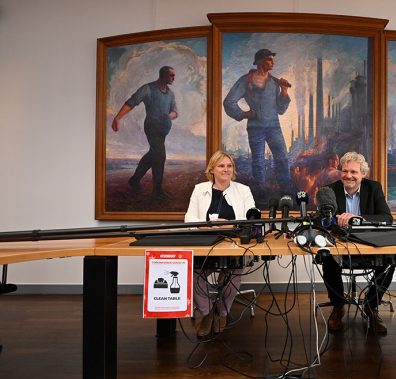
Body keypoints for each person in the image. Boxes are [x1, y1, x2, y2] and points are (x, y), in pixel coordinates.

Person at [320, 152, 396, 335]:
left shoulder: (374, 188)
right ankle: (338, 306)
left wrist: (358, 219)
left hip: (369, 245)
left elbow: (387, 218)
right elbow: (320, 220)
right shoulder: (330, 190)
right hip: (340, 247)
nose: (348, 176)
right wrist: (331, 220)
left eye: (354, 172)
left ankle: (371, 306)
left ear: (363, 174)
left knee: (391, 259)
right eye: (345, 171)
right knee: (327, 257)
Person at [184, 150, 256, 337]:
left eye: (229, 166)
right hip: (205, 243)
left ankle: (222, 312)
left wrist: (231, 224)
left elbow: (251, 218)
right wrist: (206, 226)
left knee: (234, 273)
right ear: (212, 169)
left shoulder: (243, 190)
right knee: (194, 273)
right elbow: (189, 218)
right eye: (221, 166)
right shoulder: (200, 189)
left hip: (234, 245)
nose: (226, 169)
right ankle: (207, 313)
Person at [223, 48, 292, 198]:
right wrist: (243, 114)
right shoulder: (245, 81)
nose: (273, 62)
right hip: (255, 128)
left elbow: (280, 109)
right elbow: (229, 102)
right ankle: (260, 194)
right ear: (260, 62)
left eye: (273, 59)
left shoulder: (274, 83)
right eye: (269, 59)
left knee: (282, 158)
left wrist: (284, 92)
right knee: (258, 161)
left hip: (274, 126)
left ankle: (286, 192)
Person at [112, 66, 178, 200]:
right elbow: (132, 102)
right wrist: (118, 117)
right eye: (171, 75)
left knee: (153, 154)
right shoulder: (148, 88)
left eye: (174, 76)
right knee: (160, 155)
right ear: (163, 75)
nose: (173, 78)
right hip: (152, 126)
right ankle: (157, 191)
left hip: (164, 129)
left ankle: (135, 180)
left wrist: (168, 116)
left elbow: (175, 112)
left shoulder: (170, 93)